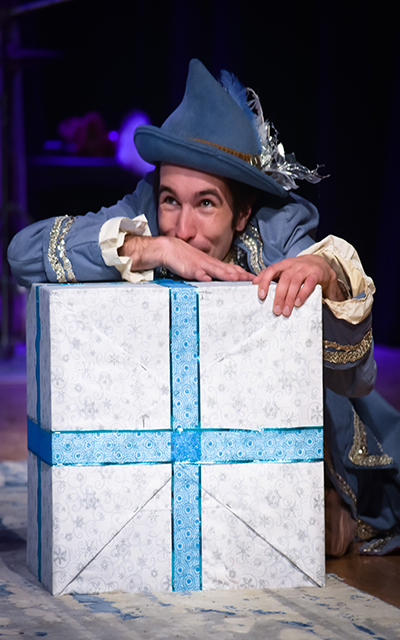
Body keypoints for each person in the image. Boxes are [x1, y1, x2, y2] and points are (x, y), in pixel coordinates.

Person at [8, 59, 400, 557]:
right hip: (167, 435)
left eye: (207, 203)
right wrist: (151, 248)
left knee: (299, 535)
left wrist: (324, 273)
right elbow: (23, 254)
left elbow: (354, 377)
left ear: (242, 212)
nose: (183, 228)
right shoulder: (146, 214)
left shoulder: (276, 230)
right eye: (172, 200)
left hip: (275, 439)